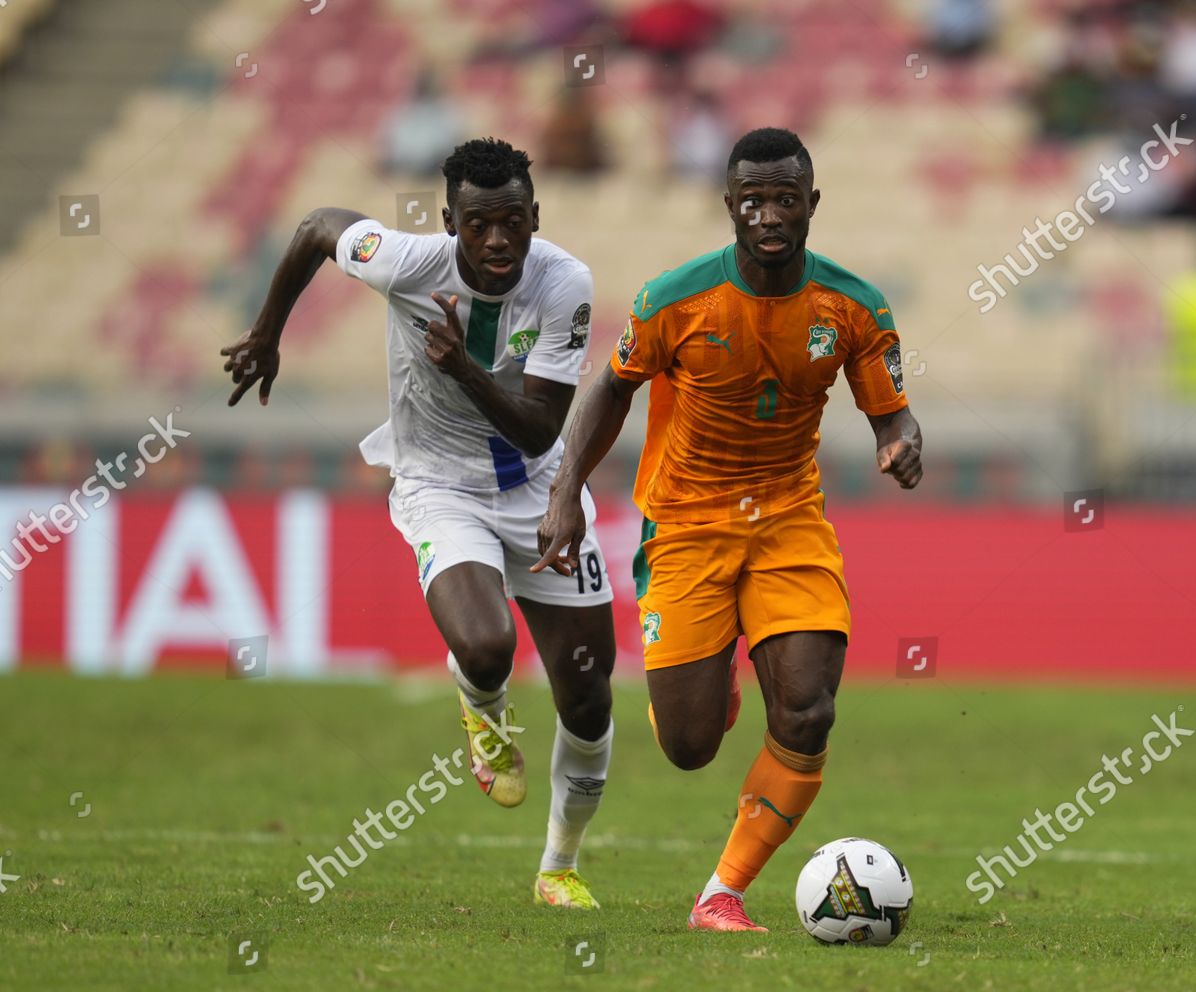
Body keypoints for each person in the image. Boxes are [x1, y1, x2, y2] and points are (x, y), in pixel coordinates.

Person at [534, 127, 923, 931]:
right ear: (729, 206)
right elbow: (610, 390)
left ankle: (722, 892)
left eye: (786, 198)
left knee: (809, 712)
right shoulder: (675, 300)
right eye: (753, 199)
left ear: (811, 204)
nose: (769, 214)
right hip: (686, 524)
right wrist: (566, 490)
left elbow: (892, 409)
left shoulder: (853, 305)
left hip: (788, 518)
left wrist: (899, 440)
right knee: (689, 745)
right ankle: (715, 686)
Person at [221, 138, 617, 910]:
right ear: (449, 222)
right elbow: (313, 228)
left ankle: (558, 868)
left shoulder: (565, 282)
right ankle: (483, 709)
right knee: (484, 643)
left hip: (538, 488)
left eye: (512, 221)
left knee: (590, 696)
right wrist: (268, 333)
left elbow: (540, 431)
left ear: (536, 216)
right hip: (439, 484)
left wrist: (462, 367)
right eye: (478, 224)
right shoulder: (402, 259)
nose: (497, 240)